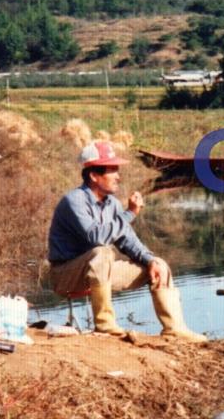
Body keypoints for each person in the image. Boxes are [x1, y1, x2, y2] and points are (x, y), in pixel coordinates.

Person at [47, 140, 207, 343]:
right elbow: (98, 238)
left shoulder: (111, 204)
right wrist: (130, 213)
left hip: (98, 273)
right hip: (66, 276)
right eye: (112, 170)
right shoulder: (74, 201)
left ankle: (174, 329)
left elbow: (128, 241)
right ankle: (105, 325)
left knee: (159, 265)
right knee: (103, 252)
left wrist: (150, 260)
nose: (118, 176)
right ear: (94, 175)